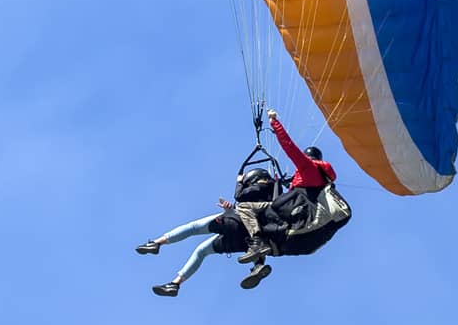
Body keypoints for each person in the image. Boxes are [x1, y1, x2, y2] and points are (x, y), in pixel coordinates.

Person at [239, 109, 338, 263]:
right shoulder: (321, 183)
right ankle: (258, 263)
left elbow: (289, 146)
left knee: (246, 208)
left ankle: (257, 246)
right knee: (266, 227)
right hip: (305, 227)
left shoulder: (308, 167)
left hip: (297, 217)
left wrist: (274, 122)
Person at [136, 194, 273, 296]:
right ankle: (174, 284)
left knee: (193, 228)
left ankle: (156, 243)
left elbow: (243, 213)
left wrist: (230, 210)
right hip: (245, 241)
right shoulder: (271, 206)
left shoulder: (251, 202)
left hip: (235, 224)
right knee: (202, 250)